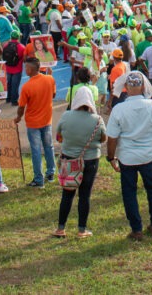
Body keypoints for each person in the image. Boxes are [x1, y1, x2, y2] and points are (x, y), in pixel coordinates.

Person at [106, 72, 152, 241]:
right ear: (143, 87)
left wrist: (111, 157)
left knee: (129, 192)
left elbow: (111, 137)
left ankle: (136, 229)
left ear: (126, 88)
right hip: (148, 155)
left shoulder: (119, 109)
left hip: (127, 157)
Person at [53, 87, 106, 238]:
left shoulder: (66, 115)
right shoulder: (97, 120)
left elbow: (58, 137)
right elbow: (103, 138)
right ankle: (82, 230)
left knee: (67, 194)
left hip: (69, 160)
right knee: (85, 195)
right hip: (90, 161)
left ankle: (61, 228)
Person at [14, 57, 57, 188]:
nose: (24, 70)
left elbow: (21, 106)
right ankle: (50, 173)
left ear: (30, 69)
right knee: (49, 146)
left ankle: (39, 179)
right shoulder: (50, 79)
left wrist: (18, 117)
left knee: (36, 150)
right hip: (47, 119)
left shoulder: (27, 86)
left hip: (33, 123)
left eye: (25, 67)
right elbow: (53, 95)